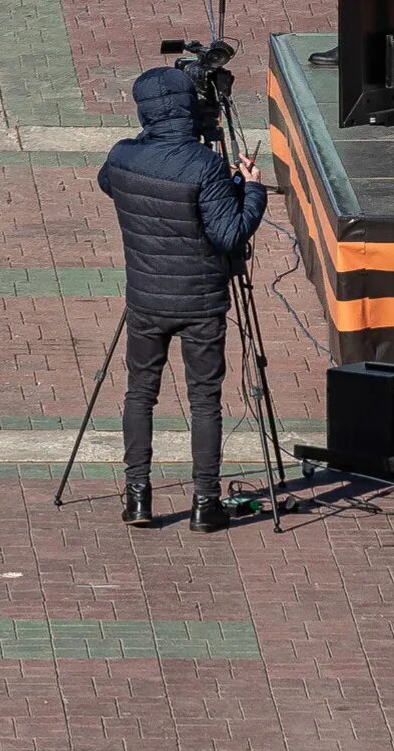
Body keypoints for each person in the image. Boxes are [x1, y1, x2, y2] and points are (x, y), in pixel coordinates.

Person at [96, 63, 268, 532]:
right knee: (204, 401)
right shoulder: (204, 165)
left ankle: (137, 496)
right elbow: (229, 233)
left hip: (146, 300)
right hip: (201, 303)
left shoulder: (122, 156)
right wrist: (250, 190)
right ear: (189, 108)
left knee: (140, 393)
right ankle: (205, 503)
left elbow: (108, 182)